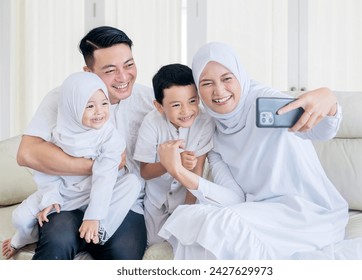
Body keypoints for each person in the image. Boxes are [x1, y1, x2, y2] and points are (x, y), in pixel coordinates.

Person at [156, 42, 362, 259]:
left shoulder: (265, 100)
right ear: (198, 91)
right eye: (207, 83)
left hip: (308, 213)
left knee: (220, 226)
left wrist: (329, 100)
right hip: (261, 214)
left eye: (227, 78)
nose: (219, 91)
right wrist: (179, 172)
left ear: (241, 77)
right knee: (194, 220)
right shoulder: (213, 132)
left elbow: (320, 131)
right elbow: (232, 198)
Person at [16, 26, 154, 260]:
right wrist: (99, 165)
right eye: (110, 70)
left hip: (122, 200)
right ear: (88, 72)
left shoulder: (149, 101)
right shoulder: (64, 99)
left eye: (129, 65)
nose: (123, 77)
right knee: (57, 241)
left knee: (124, 254)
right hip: (70, 198)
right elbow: (27, 154)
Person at [2, 72, 141, 259]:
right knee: (20, 217)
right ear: (73, 108)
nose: (99, 111)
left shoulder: (110, 137)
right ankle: (22, 239)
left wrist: (94, 216)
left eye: (104, 103)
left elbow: (105, 178)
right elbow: (46, 171)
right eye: (90, 106)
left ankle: (101, 228)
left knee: (132, 182)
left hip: (100, 193)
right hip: (66, 194)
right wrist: (51, 197)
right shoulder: (59, 133)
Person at [133, 63, 215, 246]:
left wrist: (185, 212)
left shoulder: (205, 122)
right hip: (156, 200)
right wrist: (170, 163)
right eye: (176, 105)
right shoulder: (151, 123)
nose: (186, 111)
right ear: (159, 106)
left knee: (186, 241)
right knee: (155, 242)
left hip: (186, 196)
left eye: (192, 101)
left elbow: (197, 171)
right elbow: (145, 171)